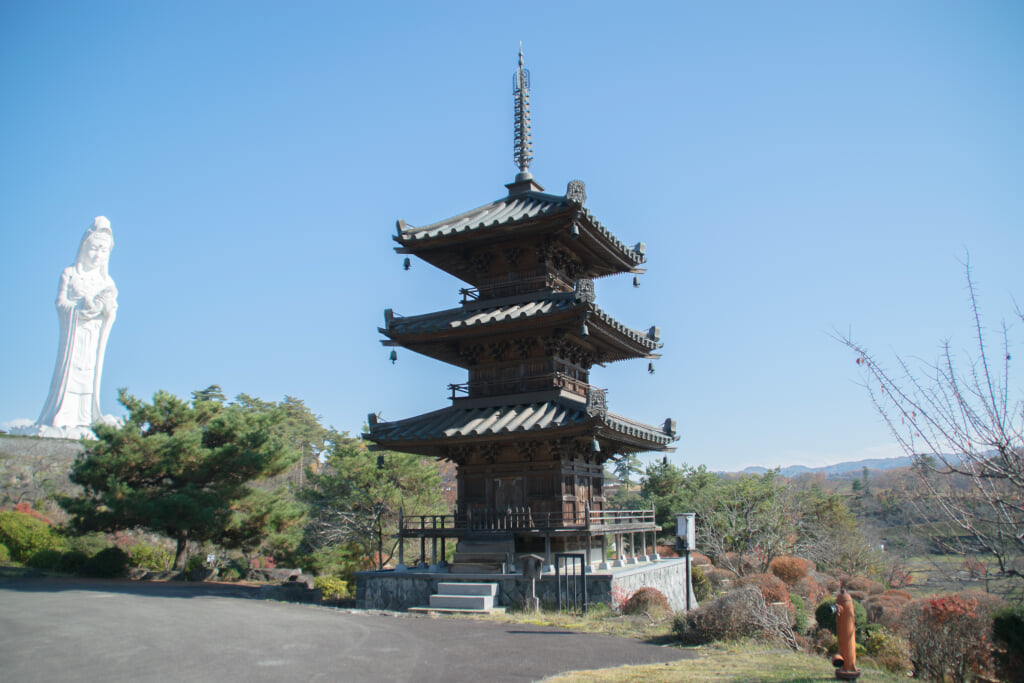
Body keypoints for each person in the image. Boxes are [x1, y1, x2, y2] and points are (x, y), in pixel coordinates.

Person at [33, 216, 119, 438]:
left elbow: (111, 310)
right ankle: (60, 415)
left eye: (103, 250)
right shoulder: (70, 274)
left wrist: (105, 309)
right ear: (84, 247)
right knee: (69, 373)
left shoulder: (107, 282)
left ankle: (89, 417)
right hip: (74, 334)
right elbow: (61, 304)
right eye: (94, 248)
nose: (97, 254)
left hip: (93, 337)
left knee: (90, 374)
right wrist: (79, 307)